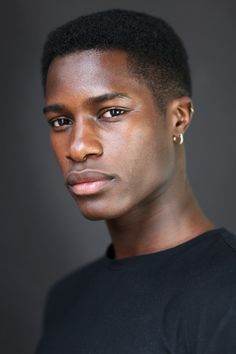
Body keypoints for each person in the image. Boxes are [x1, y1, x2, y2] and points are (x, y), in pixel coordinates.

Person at [36, 9, 236, 354]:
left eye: (111, 112)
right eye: (61, 121)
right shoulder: (64, 299)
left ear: (178, 118)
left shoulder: (226, 297)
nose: (79, 147)